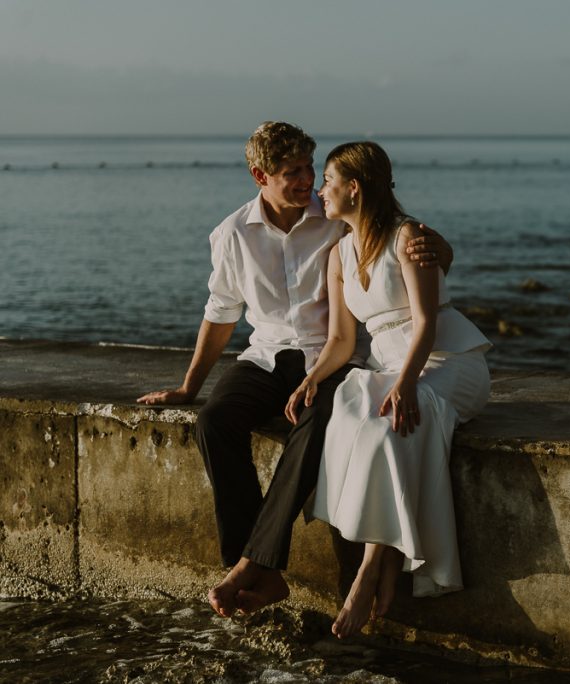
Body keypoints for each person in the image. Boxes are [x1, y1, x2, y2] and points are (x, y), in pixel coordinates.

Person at [136, 122, 453, 618]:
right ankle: (264, 572)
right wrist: (188, 386)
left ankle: (247, 568)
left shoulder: (333, 215)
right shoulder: (232, 234)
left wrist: (439, 249)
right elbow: (221, 313)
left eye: (310, 168)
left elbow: (401, 239)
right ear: (261, 175)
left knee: (314, 426)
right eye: (292, 172)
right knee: (214, 422)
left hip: (331, 358)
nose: (307, 180)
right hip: (265, 356)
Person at [283, 141, 490, 638]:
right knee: (349, 419)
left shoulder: (408, 237)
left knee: (391, 430)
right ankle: (389, 559)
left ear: (354, 187)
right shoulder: (338, 254)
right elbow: (340, 340)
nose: (320, 192)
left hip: (445, 360)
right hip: (387, 362)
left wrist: (407, 384)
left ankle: (370, 569)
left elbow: (423, 323)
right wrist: (309, 379)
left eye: (328, 182)